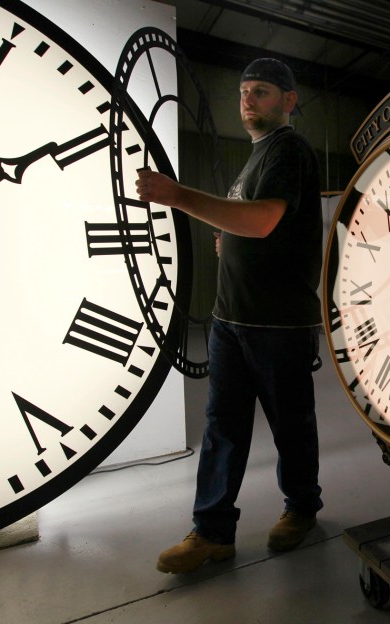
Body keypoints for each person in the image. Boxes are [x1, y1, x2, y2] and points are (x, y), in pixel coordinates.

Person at [136, 57, 323, 574]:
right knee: (223, 427)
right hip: (231, 319)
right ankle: (212, 532)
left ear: (288, 101)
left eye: (262, 92)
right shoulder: (256, 158)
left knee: (291, 426)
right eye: (244, 91)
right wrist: (229, 238)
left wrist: (177, 195)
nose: (248, 100)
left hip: (278, 322)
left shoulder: (288, 149)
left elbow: (263, 221)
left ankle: (302, 508)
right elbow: (252, 222)